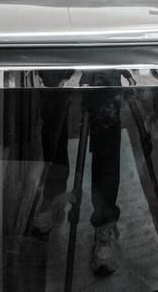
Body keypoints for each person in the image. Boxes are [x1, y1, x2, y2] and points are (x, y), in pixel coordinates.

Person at [32, 69, 125, 277]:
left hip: (104, 44)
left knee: (106, 106)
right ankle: (53, 195)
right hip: (60, 41)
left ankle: (105, 221)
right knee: (52, 97)